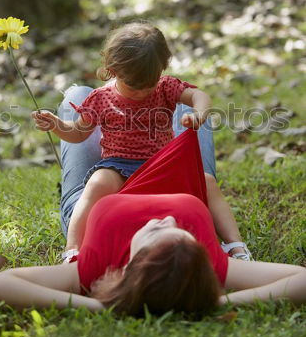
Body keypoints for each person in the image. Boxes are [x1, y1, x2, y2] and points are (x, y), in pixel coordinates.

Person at [0, 129, 305, 316]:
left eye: (157, 231)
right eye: (184, 233)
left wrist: (99, 308)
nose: (167, 219)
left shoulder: (97, 269)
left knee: (78, 96)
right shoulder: (208, 266)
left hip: (97, 190)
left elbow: (0, 286)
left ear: (131, 266)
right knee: (185, 108)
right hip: (181, 173)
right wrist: (216, 301)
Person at [31, 22, 250, 261]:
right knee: (96, 183)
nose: (142, 93)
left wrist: (199, 113)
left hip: (163, 164)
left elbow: (200, 95)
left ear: (161, 70)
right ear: (112, 69)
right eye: (133, 86)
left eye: (149, 85)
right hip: (119, 166)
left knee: (206, 181)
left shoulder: (166, 87)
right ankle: (72, 251)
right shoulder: (100, 98)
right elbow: (79, 134)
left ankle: (236, 246)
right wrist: (56, 125)